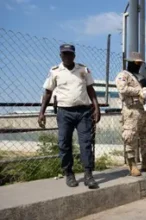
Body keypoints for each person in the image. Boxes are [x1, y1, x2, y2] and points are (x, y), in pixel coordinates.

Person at [38, 44, 100, 189]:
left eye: (70, 54)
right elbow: (48, 93)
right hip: (64, 112)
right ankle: (68, 173)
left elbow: (90, 89)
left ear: (74, 55)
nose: (67, 56)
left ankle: (88, 174)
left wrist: (96, 107)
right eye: (64, 54)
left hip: (84, 112)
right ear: (61, 56)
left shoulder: (83, 70)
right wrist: (42, 112)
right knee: (64, 143)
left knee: (86, 143)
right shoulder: (55, 72)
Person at [115, 52, 146, 177]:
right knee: (130, 136)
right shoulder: (123, 75)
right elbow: (122, 89)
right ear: (130, 62)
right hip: (131, 111)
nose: (139, 65)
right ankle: (132, 165)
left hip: (144, 110)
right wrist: (139, 91)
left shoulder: (140, 76)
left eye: (140, 63)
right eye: (137, 63)